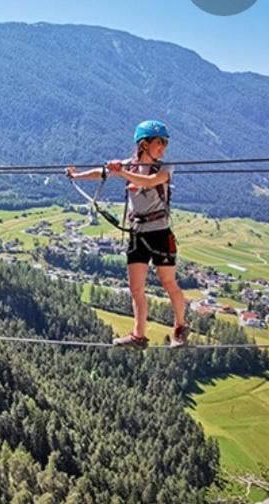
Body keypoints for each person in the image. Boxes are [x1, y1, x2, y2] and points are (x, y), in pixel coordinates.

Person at [67, 119, 188, 348]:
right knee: (135, 288)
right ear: (144, 144)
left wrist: (121, 172)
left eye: (165, 143)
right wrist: (77, 176)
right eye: (159, 142)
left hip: (160, 232)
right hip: (138, 233)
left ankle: (180, 328)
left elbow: (150, 181)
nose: (163, 148)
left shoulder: (164, 168)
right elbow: (101, 173)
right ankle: (138, 335)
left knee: (168, 282)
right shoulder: (128, 166)